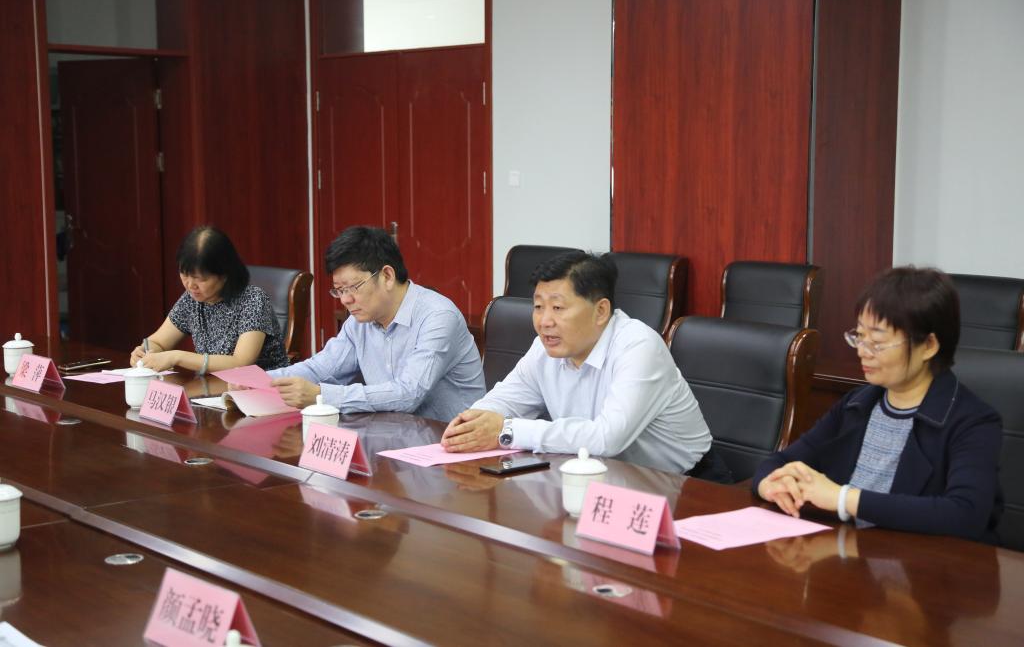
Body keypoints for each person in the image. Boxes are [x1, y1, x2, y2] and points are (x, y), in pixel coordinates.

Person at [753, 266, 1003, 542]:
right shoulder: (857, 404)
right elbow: (781, 461)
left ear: (929, 346)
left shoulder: (973, 421)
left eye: (878, 342)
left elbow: (965, 514)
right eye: (860, 336)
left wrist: (842, 498)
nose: (862, 351)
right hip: (849, 552)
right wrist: (769, 485)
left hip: (920, 563)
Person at [441, 251, 716, 476]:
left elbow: (607, 438)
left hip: (687, 484)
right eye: (538, 307)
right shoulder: (545, 347)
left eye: (558, 308)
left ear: (601, 311)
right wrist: (471, 424)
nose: (544, 321)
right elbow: (506, 399)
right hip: (602, 476)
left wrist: (507, 431)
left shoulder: (639, 347)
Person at [266, 226, 486, 419]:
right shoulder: (358, 322)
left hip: (449, 441)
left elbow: (408, 394)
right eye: (339, 290)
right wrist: (259, 382)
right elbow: (320, 369)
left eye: (353, 287)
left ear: (387, 276)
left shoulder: (438, 316)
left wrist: (322, 395)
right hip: (393, 434)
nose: (345, 300)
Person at [130, 226, 288, 373]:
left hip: (262, 387)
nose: (190, 285)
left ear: (225, 274)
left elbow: (241, 363)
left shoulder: (253, 300)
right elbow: (159, 342)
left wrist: (177, 357)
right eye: (184, 274)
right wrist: (144, 351)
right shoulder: (191, 299)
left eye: (200, 279)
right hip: (212, 388)